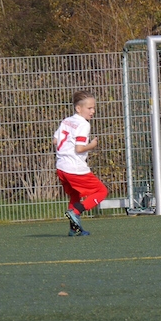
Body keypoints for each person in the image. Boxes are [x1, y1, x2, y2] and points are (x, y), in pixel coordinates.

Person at [53, 90, 109, 236]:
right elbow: (79, 148)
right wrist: (92, 145)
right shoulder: (83, 124)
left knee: (75, 196)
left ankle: (74, 229)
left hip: (61, 167)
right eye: (89, 108)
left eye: (93, 108)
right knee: (101, 191)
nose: (93, 111)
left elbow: (55, 140)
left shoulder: (66, 121)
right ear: (78, 108)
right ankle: (76, 212)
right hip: (75, 168)